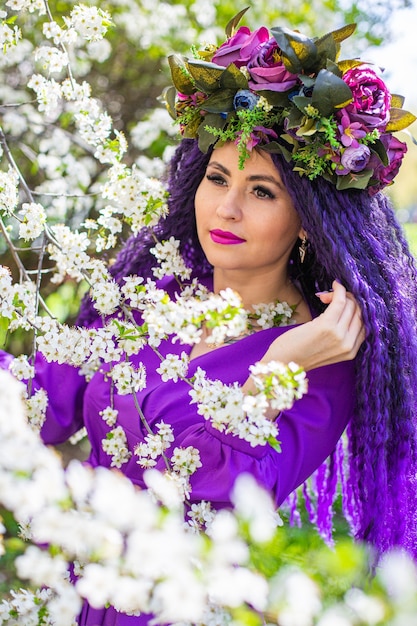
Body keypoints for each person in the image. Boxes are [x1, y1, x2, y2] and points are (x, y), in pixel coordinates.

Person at [2, 11, 417, 626]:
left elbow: (216, 496)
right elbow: (38, 404)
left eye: (262, 191)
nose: (226, 207)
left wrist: (275, 369)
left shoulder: (319, 359)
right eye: (218, 177)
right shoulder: (151, 289)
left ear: (309, 218)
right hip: (65, 592)